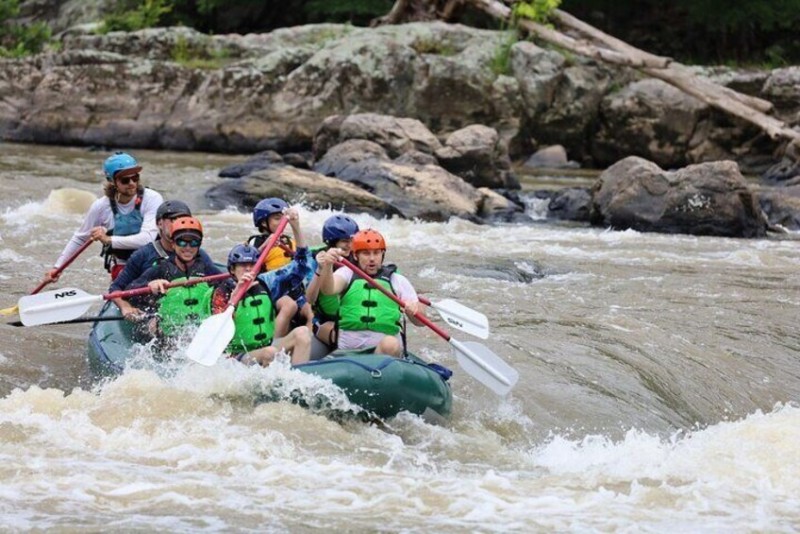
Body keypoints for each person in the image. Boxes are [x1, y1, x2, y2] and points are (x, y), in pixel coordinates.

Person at [42, 151, 163, 284]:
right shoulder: (101, 206)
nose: (132, 183)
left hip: (153, 262)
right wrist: (57, 268)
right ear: (112, 181)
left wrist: (108, 239)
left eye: (135, 178)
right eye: (125, 180)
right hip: (123, 265)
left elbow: (147, 239)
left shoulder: (152, 198)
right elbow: (80, 238)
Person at [316, 229, 426, 357]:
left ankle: (377, 370)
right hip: (348, 352)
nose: (372, 259)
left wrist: (413, 310)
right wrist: (328, 265)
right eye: (366, 254)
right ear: (356, 256)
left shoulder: (396, 280)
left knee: (390, 343)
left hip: (385, 353)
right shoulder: (347, 273)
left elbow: (420, 322)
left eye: (376, 253)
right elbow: (328, 289)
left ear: (382, 254)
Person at [109, 200, 217, 321]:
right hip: (154, 316)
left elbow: (220, 281)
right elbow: (116, 288)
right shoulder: (143, 255)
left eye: (193, 242)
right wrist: (125, 307)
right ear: (159, 223)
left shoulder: (199, 257)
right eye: (173, 220)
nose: (180, 224)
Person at [210, 244, 311, 366]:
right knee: (269, 353)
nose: (248, 269)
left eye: (252, 265)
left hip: (266, 347)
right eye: (242, 265)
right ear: (232, 269)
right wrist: (235, 296)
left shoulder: (265, 284)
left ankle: (298, 380)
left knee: (303, 333)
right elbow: (217, 330)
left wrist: (296, 227)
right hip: (237, 356)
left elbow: (301, 267)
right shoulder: (221, 292)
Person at [122, 217, 223, 338]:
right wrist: (149, 285)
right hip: (168, 338)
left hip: (201, 335)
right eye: (181, 242)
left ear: (199, 245)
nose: (188, 247)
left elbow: (230, 286)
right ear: (173, 244)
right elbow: (128, 292)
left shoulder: (208, 270)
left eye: (193, 242)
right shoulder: (160, 269)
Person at [247, 202, 313, 338]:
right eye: (277, 218)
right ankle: (273, 345)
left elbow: (303, 258)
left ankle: (308, 346)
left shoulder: (289, 240)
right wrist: (266, 245)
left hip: (294, 289)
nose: (282, 221)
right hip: (271, 290)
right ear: (264, 223)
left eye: (283, 218)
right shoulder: (256, 241)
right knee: (289, 305)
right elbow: (247, 264)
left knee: (311, 310)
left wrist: (296, 225)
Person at [305, 214, 360, 352]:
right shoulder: (317, 259)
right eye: (344, 241)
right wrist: (321, 267)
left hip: (355, 321)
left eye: (352, 240)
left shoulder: (360, 258)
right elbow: (310, 298)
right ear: (332, 242)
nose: (349, 245)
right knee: (342, 335)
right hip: (326, 321)